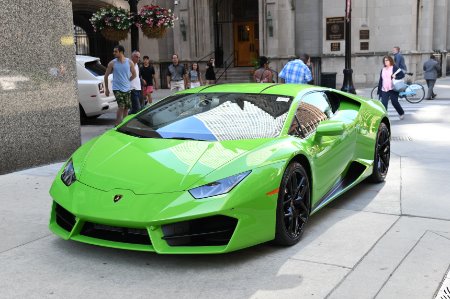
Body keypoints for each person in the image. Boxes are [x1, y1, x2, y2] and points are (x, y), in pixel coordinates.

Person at [104, 45, 137, 126]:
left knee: (126, 107)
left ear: (121, 52)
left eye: (116, 51)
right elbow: (106, 76)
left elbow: (134, 74)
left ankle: (124, 124)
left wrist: (128, 80)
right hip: (117, 88)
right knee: (121, 106)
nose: (114, 53)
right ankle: (117, 123)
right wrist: (107, 89)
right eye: (114, 51)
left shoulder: (129, 62)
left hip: (127, 88)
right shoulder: (112, 63)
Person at [377, 55, 405, 120]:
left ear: (390, 61)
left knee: (394, 102)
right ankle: (384, 118)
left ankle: (401, 112)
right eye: (384, 61)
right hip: (384, 89)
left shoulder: (394, 68)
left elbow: (402, 75)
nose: (385, 62)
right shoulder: (383, 69)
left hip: (393, 88)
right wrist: (379, 90)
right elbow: (381, 80)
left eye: (387, 60)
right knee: (384, 104)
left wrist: (396, 77)